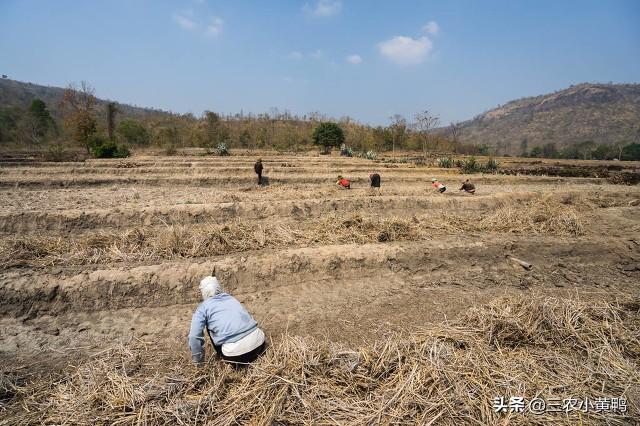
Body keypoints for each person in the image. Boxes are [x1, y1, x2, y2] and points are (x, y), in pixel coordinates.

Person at [189, 276, 266, 364]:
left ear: (203, 292)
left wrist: (198, 362)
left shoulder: (203, 308)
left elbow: (194, 336)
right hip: (260, 344)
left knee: (209, 325)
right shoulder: (231, 298)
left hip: (236, 356)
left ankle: (221, 357)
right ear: (219, 287)